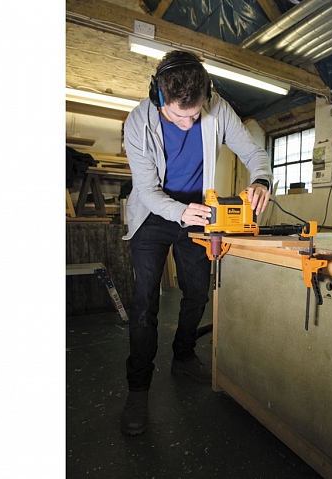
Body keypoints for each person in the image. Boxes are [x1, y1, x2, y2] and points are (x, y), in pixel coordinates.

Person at [120, 50, 272, 436]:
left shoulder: (217, 107)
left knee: (197, 294)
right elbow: (146, 189)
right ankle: (138, 389)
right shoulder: (138, 122)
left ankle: (183, 356)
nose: (188, 124)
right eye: (178, 116)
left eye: (195, 114)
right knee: (144, 305)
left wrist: (261, 180)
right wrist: (179, 212)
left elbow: (253, 151)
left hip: (199, 214)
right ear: (158, 96)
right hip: (152, 215)